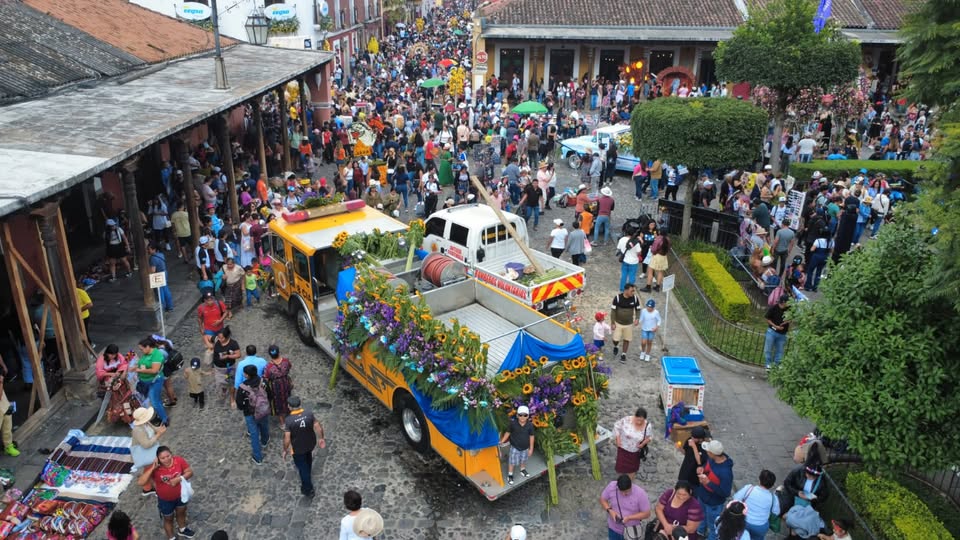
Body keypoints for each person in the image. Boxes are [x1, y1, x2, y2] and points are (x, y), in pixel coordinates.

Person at [137, 446, 196, 540]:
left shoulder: (179, 460)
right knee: (168, 519)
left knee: (181, 512)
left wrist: (179, 478)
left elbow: (189, 472)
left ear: (171, 454)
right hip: (165, 500)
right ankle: (171, 537)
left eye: (168, 456)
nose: (166, 459)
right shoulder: (156, 468)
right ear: (158, 459)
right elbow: (141, 482)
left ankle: (182, 529)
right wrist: (152, 467)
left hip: (181, 495)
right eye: (162, 458)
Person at [282, 396, 326, 497]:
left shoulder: (289, 420)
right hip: (310, 443)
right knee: (308, 457)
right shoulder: (309, 414)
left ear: (289, 406)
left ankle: (308, 489)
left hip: (298, 448)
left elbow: (287, 438)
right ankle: (308, 469)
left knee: (302, 468)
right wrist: (321, 438)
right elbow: (317, 426)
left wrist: (285, 450)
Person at [696, 440, 735, 540]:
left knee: (713, 526)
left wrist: (708, 483)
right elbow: (707, 466)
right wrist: (702, 469)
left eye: (708, 451)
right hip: (703, 496)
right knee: (701, 516)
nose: (707, 452)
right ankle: (700, 532)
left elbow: (725, 492)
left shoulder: (725, 473)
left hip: (713, 503)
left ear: (713, 454)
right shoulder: (712, 459)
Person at [600, 474, 652, 540]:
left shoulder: (640, 494)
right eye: (621, 492)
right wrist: (610, 510)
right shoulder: (611, 487)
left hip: (631, 530)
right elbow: (602, 499)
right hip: (613, 529)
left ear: (631, 486)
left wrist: (629, 518)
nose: (624, 494)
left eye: (627, 491)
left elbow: (647, 514)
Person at [732, 470, 780, 540]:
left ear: (759, 479)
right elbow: (776, 512)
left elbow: (735, 498)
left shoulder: (749, 489)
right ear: (772, 485)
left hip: (744, 521)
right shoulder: (773, 498)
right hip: (760, 526)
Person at [236, 364, 269, 464]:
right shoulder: (263, 381)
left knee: (254, 434)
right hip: (263, 409)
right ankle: (265, 440)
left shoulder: (242, 388)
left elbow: (240, 404)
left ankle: (257, 457)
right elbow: (269, 393)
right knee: (264, 425)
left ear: (246, 375)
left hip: (250, 413)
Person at [135, 337, 168, 427]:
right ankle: (159, 414)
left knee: (154, 402)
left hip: (154, 381)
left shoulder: (156, 355)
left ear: (148, 347)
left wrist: (140, 370)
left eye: (142, 349)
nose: (141, 351)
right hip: (146, 381)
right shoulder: (147, 353)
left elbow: (154, 370)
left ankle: (164, 419)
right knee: (156, 400)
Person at [613, 407, 653, 479]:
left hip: (635, 452)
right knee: (621, 468)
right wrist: (618, 439)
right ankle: (621, 482)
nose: (639, 422)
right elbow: (616, 426)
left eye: (642, 421)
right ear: (635, 416)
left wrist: (642, 444)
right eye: (638, 420)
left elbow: (649, 437)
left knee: (632, 469)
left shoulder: (647, 426)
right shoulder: (627, 420)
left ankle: (629, 483)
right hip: (623, 448)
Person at [500, 405, 534, 485]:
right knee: (512, 462)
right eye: (520, 415)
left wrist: (531, 448)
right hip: (515, 447)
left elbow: (531, 436)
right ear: (517, 415)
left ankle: (522, 469)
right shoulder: (513, 424)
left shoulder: (530, 425)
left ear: (528, 416)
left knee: (523, 460)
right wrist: (502, 441)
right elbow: (508, 432)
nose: (522, 417)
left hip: (525, 448)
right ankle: (510, 474)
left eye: (525, 415)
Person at [610, 284, 641, 363]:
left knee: (627, 339)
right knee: (615, 339)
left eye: (633, 291)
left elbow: (638, 309)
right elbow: (613, 311)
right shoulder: (617, 298)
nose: (633, 292)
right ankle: (616, 345)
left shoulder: (634, 298)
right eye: (632, 291)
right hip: (618, 323)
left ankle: (623, 354)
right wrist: (612, 322)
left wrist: (637, 318)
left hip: (629, 324)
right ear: (626, 290)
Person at [130, 407, 165, 476]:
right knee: (148, 470)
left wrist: (160, 429)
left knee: (155, 466)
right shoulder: (138, 430)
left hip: (152, 448)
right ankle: (149, 486)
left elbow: (154, 429)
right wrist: (158, 435)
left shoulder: (146, 422)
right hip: (144, 453)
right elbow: (146, 445)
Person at [212, 327, 241, 407]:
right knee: (221, 382)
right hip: (218, 368)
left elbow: (238, 355)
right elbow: (206, 337)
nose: (219, 339)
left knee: (231, 383)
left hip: (228, 369)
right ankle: (224, 391)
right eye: (218, 337)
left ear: (227, 336)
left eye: (221, 338)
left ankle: (232, 398)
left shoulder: (233, 343)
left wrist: (228, 356)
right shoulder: (216, 340)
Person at [264, 345, 293, 424]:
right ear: (279, 352)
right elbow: (289, 367)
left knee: (278, 402)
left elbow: (266, 377)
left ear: (270, 354)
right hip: (285, 382)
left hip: (275, 386)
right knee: (287, 397)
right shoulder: (286, 361)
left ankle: (282, 423)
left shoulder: (269, 366)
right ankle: (289, 413)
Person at [763, 296, 790, 371]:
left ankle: (777, 364)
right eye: (788, 302)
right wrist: (776, 326)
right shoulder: (774, 308)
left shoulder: (789, 309)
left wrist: (787, 321)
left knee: (780, 350)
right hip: (772, 331)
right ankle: (768, 364)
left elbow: (791, 318)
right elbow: (767, 319)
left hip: (782, 333)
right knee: (768, 349)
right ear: (784, 302)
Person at [148, 243, 173, 312]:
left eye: (149, 249)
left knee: (160, 292)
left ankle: (162, 306)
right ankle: (170, 306)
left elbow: (153, 270)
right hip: (164, 273)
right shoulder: (161, 254)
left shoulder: (153, 258)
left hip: (158, 275)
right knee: (166, 289)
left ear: (154, 250)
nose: (148, 251)